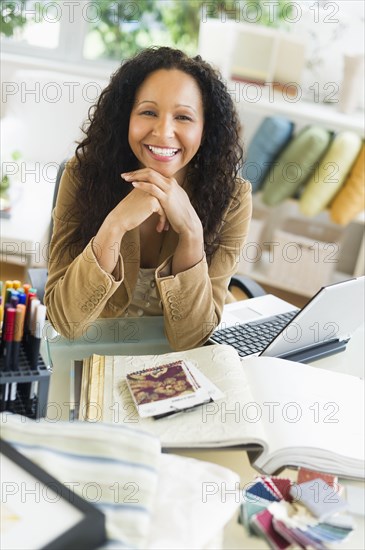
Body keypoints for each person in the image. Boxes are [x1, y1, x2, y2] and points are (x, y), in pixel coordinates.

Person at [44, 46, 252, 350]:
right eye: (148, 112)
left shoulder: (231, 198)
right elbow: (64, 321)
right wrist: (114, 225)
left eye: (183, 117)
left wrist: (191, 233)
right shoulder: (83, 175)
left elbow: (192, 338)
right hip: (93, 352)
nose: (164, 131)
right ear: (125, 116)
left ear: (205, 129)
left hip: (174, 365)